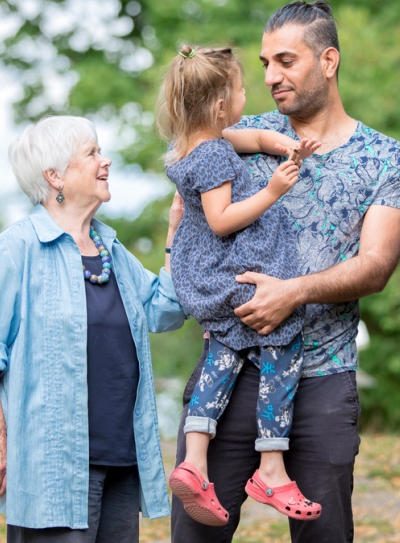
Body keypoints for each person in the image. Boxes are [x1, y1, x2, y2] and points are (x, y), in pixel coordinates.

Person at [169, 2, 400, 542]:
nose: (269, 77)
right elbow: (186, 203)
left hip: (322, 380)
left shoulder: (386, 159)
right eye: (263, 63)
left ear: (328, 60)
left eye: (286, 60)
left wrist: (291, 293)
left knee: (324, 536)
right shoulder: (239, 133)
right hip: (229, 373)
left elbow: (376, 266)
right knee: (194, 536)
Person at [0, 115, 187, 543]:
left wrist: (176, 231)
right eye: (93, 153)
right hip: (53, 468)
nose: (106, 161)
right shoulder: (16, 250)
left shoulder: (112, 251)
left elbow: (165, 310)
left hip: (122, 459)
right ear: (54, 175)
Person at [156, 43, 324, 527]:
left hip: (205, 276)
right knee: (282, 342)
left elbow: (245, 139)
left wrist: (280, 145)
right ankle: (271, 466)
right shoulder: (211, 156)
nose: (247, 92)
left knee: (222, 358)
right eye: (239, 89)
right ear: (218, 105)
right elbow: (221, 219)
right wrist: (273, 190)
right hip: (231, 275)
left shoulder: (197, 142)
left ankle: (195, 462)